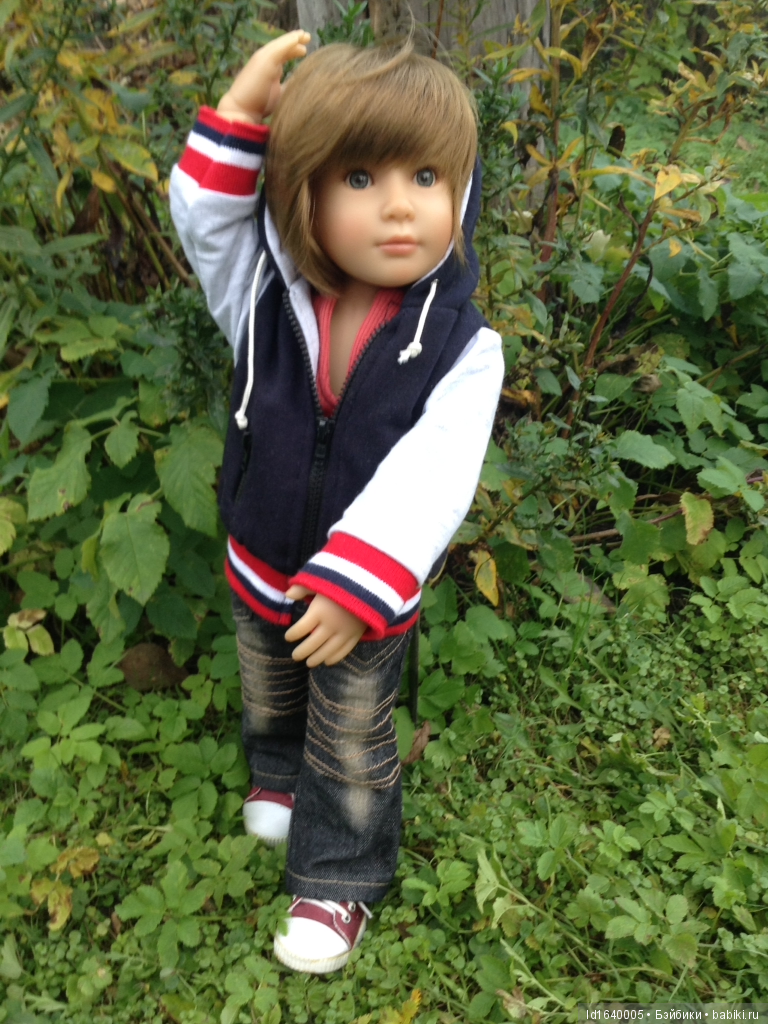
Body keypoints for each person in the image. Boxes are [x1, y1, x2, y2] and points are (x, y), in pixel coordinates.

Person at [169, 29, 503, 974]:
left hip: (362, 593)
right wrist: (241, 122)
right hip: (260, 556)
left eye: (426, 177)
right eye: (360, 178)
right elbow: (208, 224)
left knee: (352, 731)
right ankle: (277, 774)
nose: (399, 206)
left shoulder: (463, 347)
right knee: (269, 687)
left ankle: (338, 876)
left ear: (461, 192)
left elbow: (436, 471)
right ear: (301, 192)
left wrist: (359, 581)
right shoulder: (261, 298)